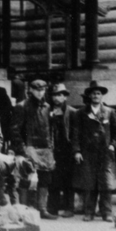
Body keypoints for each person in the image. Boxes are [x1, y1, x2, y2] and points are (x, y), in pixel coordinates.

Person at [73, 82, 116, 221]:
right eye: (93, 93)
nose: (96, 96)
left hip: (105, 153)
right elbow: (76, 133)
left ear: (102, 96)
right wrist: (77, 151)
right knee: (89, 183)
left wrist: (113, 145)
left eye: (98, 93)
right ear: (89, 95)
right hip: (88, 153)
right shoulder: (81, 113)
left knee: (106, 184)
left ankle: (106, 212)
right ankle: (89, 212)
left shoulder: (110, 112)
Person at [10, 78, 56, 218]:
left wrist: (50, 145)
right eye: (37, 90)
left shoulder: (47, 107)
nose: (40, 93)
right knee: (26, 178)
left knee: (45, 178)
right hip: (29, 147)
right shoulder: (21, 106)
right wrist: (22, 150)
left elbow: (50, 128)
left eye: (42, 90)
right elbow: (15, 130)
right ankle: (23, 210)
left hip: (45, 148)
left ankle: (42, 209)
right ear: (30, 90)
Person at [47, 84, 79, 217]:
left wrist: (75, 150)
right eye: (55, 95)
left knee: (68, 180)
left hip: (67, 150)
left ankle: (69, 208)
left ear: (65, 96)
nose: (57, 98)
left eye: (60, 95)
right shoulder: (47, 110)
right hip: (52, 149)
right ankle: (52, 208)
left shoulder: (72, 112)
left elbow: (76, 133)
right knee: (53, 180)